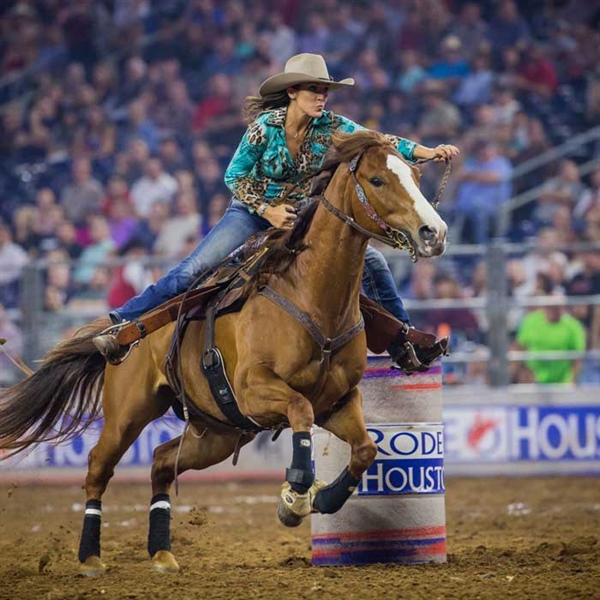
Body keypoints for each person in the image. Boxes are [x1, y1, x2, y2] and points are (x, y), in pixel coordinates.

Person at [94, 53, 459, 367]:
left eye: (324, 90)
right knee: (195, 268)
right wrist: (266, 210)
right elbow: (234, 176)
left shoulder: (330, 126)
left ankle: (403, 343)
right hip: (250, 213)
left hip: (299, 216)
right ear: (293, 92)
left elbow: (380, 141)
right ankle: (122, 320)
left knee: (373, 263)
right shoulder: (264, 128)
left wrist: (426, 152)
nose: (321, 97)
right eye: (314, 89)